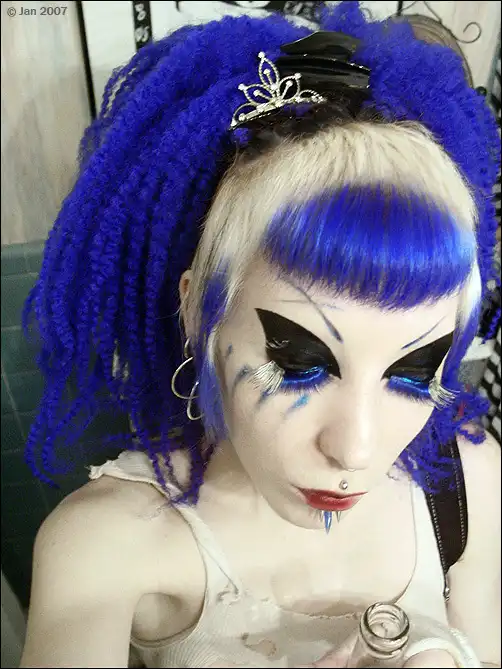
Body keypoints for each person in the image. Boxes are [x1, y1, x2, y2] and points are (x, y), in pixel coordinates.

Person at [19, 3, 500, 668]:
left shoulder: (469, 480)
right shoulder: (107, 545)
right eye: (300, 364)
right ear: (198, 312)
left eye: (412, 373)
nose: (355, 448)